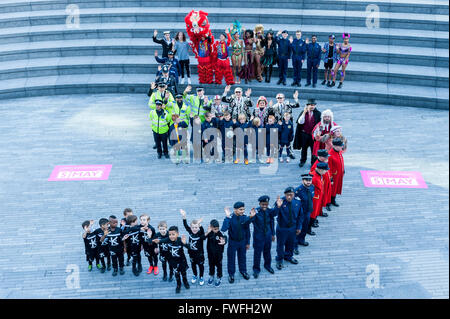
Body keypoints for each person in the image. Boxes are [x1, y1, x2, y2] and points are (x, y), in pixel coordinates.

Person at [221, 202, 256, 283]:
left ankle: (243, 271)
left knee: (242, 257)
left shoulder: (244, 218)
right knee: (231, 259)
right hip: (232, 243)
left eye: (243, 209)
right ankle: (231, 274)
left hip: (242, 242)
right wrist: (227, 217)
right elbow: (223, 229)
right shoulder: (230, 218)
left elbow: (247, 231)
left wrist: (247, 242)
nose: (242, 211)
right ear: (235, 210)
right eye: (240, 209)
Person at [150, 226, 190, 294]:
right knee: (176, 274)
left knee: (183, 273)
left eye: (173, 234)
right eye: (170, 234)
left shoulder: (180, 240)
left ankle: (185, 282)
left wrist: (185, 243)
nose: (171, 236)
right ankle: (178, 284)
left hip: (182, 260)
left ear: (177, 234)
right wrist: (154, 240)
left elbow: (189, 247)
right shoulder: (168, 239)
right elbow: (160, 241)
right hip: (173, 261)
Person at [273, 188, 302, 270]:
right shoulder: (280, 201)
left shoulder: (297, 202)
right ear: (284, 195)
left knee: (291, 243)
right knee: (280, 245)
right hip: (282, 228)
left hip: (292, 228)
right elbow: (273, 214)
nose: (289, 197)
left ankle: (289, 256)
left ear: (294, 194)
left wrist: (299, 227)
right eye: (287, 195)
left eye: (291, 195)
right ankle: (279, 259)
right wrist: (278, 206)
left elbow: (300, 215)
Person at [251, 195, 277, 278]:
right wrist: (251, 216)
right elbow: (249, 222)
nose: (264, 206)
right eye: (263, 204)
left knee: (267, 251)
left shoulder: (269, 211)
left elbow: (272, 222)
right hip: (258, 237)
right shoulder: (256, 212)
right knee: (257, 253)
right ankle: (256, 269)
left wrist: (273, 234)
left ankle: (267, 265)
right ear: (259, 204)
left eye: (266, 204)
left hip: (268, 236)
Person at [180, 209, 207, 286]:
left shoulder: (200, 234)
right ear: (191, 228)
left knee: (201, 266)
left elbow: (202, 231)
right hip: (191, 254)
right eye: (193, 227)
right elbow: (185, 225)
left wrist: (200, 224)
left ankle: (201, 276)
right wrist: (184, 217)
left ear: (198, 227)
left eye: (196, 227)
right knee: (193, 265)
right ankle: (195, 275)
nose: (194, 229)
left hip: (200, 254)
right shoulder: (190, 231)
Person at [293, 98, 322, 167]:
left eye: (314, 105)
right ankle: (302, 160)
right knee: (304, 149)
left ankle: (313, 162)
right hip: (304, 134)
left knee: (313, 150)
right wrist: (304, 112)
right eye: (311, 105)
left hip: (313, 135)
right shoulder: (303, 113)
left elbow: (320, 124)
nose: (312, 106)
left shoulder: (318, 113)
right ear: (307, 105)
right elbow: (300, 122)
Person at [294, 174, 315, 251]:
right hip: (300, 213)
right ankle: (294, 244)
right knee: (298, 228)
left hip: (308, 211)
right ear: (303, 181)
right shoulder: (298, 190)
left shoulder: (312, 187)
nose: (309, 182)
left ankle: (301, 240)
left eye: (310, 180)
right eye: (307, 180)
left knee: (305, 227)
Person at [206, 219, 227, 287]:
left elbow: (225, 238)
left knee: (219, 266)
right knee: (211, 266)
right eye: (215, 229)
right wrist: (207, 232)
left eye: (217, 229)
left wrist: (224, 241)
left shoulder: (220, 233)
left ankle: (219, 277)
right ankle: (211, 275)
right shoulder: (209, 233)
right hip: (210, 255)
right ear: (211, 227)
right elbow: (203, 237)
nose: (216, 230)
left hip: (218, 255)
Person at [310, 149, 332, 213]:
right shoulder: (315, 166)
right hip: (321, 185)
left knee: (325, 197)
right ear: (320, 157)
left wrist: (331, 178)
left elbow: (328, 171)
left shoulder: (324, 162)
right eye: (325, 156)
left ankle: (322, 209)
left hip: (326, 183)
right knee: (320, 200)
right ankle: (319, 212)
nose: (327, 158)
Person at [309, 162, 329, 234]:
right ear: (320, 170)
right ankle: (309, 229)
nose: (326, 171)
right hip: (315, 199)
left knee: (315, 212)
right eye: (325, 170)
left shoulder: (318, 174)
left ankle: (313, 222)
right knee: (312, 214)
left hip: (318, 197)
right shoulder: (314, 177)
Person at [328, 138, 345, 207]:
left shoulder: (339, 151)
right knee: (332, 189)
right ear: (335, 146)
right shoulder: (330, 155)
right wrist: (331, 178)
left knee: (337, 187)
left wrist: (343, 169)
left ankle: (333, 199)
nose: (342, 147)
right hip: (334, 175)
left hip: (339, 174)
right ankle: (330, 201)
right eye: (340, 146)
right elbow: (329, 168)